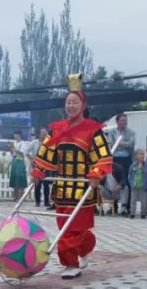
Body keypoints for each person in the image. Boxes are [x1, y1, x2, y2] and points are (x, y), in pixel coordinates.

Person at [31, 74, 113, 278]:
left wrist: (96, 172)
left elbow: (102, 155)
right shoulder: (57, 129)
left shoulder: (93, 130)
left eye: (75, 102)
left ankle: (71, 264)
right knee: (67, 229)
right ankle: (85, 248)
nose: (71, 105)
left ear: (83, 105)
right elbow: (46, 153)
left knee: (72, 231)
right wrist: (38, 171)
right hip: (62, 188)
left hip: (84, 187)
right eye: (68, 102)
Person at [108, 114, 135, 215]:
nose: (124, 122)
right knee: (113, 181)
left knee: (126, 182)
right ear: (117, 121)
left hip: (126, 159)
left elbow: (131, 144)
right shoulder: (111, 132)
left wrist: (119, 143)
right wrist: (123, 144)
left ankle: (126, 206)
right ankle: (113, 206)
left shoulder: (131, 132)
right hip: (114, 159)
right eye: (122, 120)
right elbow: (110, 143)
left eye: (125, 121)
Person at [127, 149, 147, 218]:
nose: (142, 155)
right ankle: (132, 213)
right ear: (136, 156)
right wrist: (131, 183)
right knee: (133, 200)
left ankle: (143, 213)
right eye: (140, 154)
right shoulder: (133, 165)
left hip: (143, 186)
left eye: (143, 154)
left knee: (143, 201)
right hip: (134, 185)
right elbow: (130, 175)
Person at [32, 127, 51, 208]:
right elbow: (25, 151)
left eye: (45, 133)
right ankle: (37, 201)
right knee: (37, 184)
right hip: (37, 166)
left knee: (46, 185)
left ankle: (46, 202)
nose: (44, 135)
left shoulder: (49, 142)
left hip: (46, 166)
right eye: (42, 133)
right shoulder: (35, 142)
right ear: (39, 134)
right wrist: (31, 160)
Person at [9, 130, 30, 201]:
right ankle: (15, 197)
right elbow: (12, 154)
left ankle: (21, 197)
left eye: (16, 135)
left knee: (20, 178)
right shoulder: (14, 143)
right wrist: (11, 148)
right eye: (14, 135)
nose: (15, 136)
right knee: (14, 178)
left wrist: (14, 149)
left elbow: (21, 154)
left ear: (20, 135)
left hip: (20, 161)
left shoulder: (23, 143)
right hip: (14, 161)